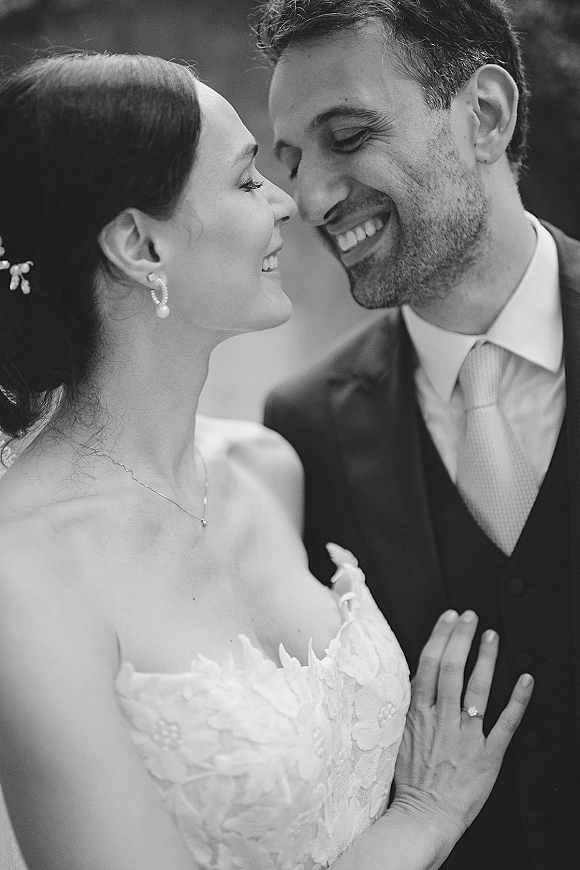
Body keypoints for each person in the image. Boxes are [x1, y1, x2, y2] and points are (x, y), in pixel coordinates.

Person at [0, 52, 533, 870]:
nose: (291, 205)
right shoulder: (24, 574)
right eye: (249, 182)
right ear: (140, 244)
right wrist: (424, 815)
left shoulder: (265, 467)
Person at [258, 0, 580, 868]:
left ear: (484, 115)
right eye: (291, 161)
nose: (312, 196)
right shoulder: (305, 425)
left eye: (349, 135)